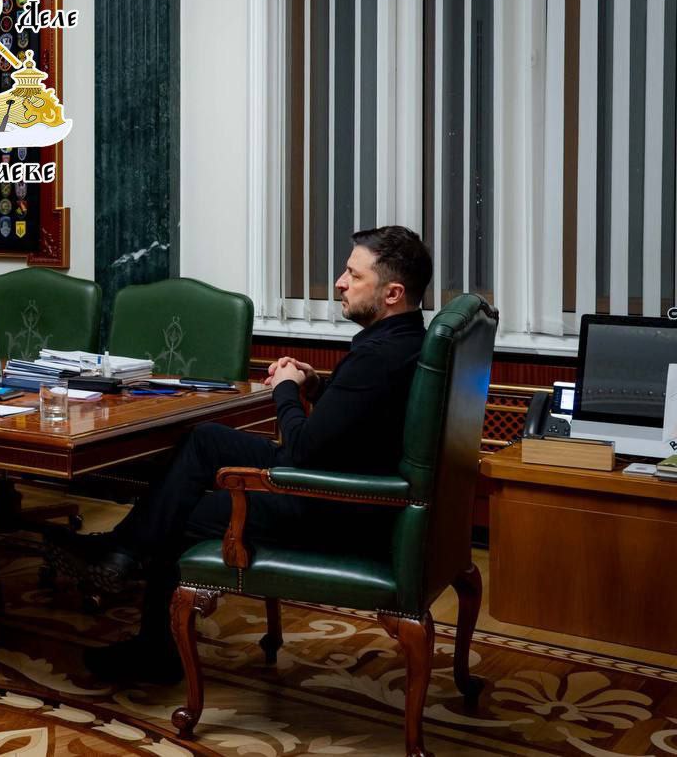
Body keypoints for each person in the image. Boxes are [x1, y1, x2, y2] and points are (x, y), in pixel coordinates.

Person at [48, 225, 434, 684]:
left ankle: (154, 647)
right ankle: (122, 552)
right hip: (344, 484)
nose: (339, 282)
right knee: (206, 438)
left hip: (332, 505)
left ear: (392, 293)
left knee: (180, 512)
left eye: (354, 274)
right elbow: (359, 414)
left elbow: (301, 450)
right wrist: (315, 385)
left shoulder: (378, 356)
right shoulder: (403, 342)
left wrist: (285, 391)